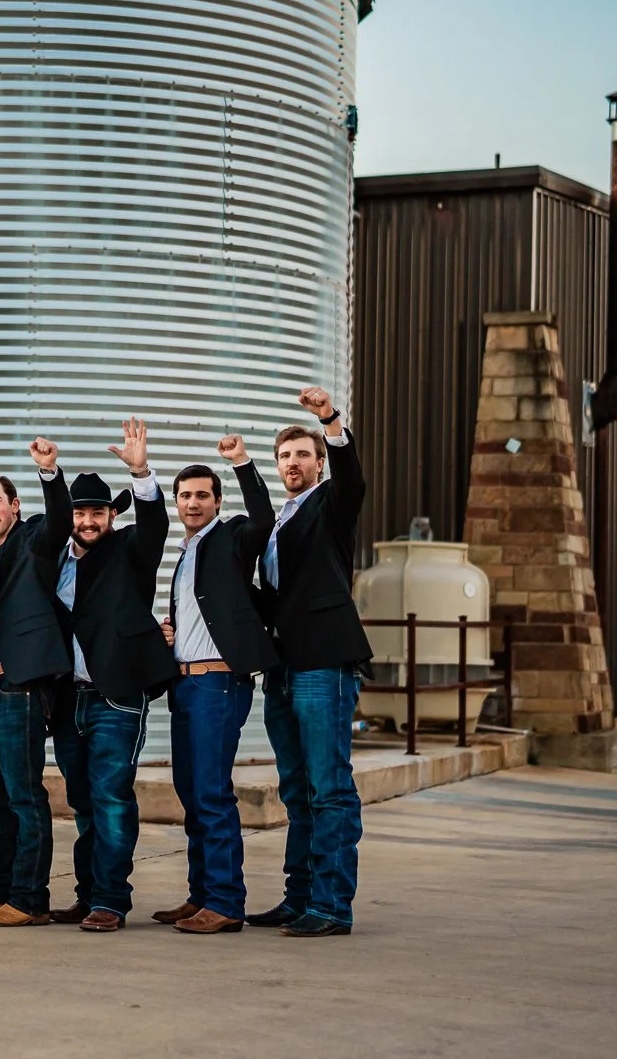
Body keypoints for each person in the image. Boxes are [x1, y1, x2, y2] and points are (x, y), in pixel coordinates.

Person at [251, 387, 371, 938]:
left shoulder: (330, 504)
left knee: (329, 787)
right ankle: (298, 897)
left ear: (318, 462)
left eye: (302, 455)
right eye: (284, 457)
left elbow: (353, 483)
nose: (291, 463)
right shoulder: (278, 520)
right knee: (296, 788)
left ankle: (331, 904)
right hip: (282, 665)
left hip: (323, 661)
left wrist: (329, 421)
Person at [50, 418, 176, 932]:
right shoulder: (53, 560)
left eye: (97, 511)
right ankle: (88, 892)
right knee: (81, 802)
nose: (88, 519)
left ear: (110, 514)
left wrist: (141, 471)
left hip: (115, 697)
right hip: (66, 699)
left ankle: (111, 899)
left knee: (111, 797)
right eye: (80, 511)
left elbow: (156, 528)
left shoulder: (130, 551)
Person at [151, 436, 277, 934]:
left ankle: (225, 902)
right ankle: (202, 893)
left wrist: (242, 463)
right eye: (185, 496)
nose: (193, 503)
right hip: (185, 686)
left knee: (210, 793)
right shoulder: (185, 554)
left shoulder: (232, 537)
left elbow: (264, 519)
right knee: (190, 790)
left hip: (218, 684)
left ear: (218, 502)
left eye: (203, 495)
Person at [0, 439, 73, 928]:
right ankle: (1, 889)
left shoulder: (34, 541)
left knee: (25, 794)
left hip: (18, 684)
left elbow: (61, 522)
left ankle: (30, 898)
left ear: (15, 504)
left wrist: (49, 472)